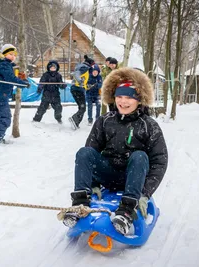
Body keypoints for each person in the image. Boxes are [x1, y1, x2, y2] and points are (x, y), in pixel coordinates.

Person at [63, 67, 168, 236]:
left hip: (134, 177)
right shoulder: (104, 121)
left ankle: (126, 211)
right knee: (84, 152)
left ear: (139, 100)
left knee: (140, 156)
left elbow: (159, 160)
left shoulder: (149, 125)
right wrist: (94, 183)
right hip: (108, 173)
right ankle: (80, 204)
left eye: (129, 97)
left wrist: (145, 192)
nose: (123, 101)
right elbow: (91, 152)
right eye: (119, 96)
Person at [0, 44, 30, 146]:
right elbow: (10, 78)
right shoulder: (4, 65)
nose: (13, 56)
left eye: (15, 55)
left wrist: (21, 80)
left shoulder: (3, 64)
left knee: (3, 117)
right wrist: (23, 83)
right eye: (10, 54)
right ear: (4, 54)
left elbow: (9, 78)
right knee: (4, 118)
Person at [68, 55, 94, 130]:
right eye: (92, 64)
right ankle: (74, 119)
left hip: (76, 88)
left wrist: (86, 86)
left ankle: (76, 123)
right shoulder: (84, 67)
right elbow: (76, 74)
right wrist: (80, 81)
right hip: (77, 89)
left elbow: (82, 79)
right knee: (83, 108)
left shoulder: (81, 66)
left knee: (81, 107)